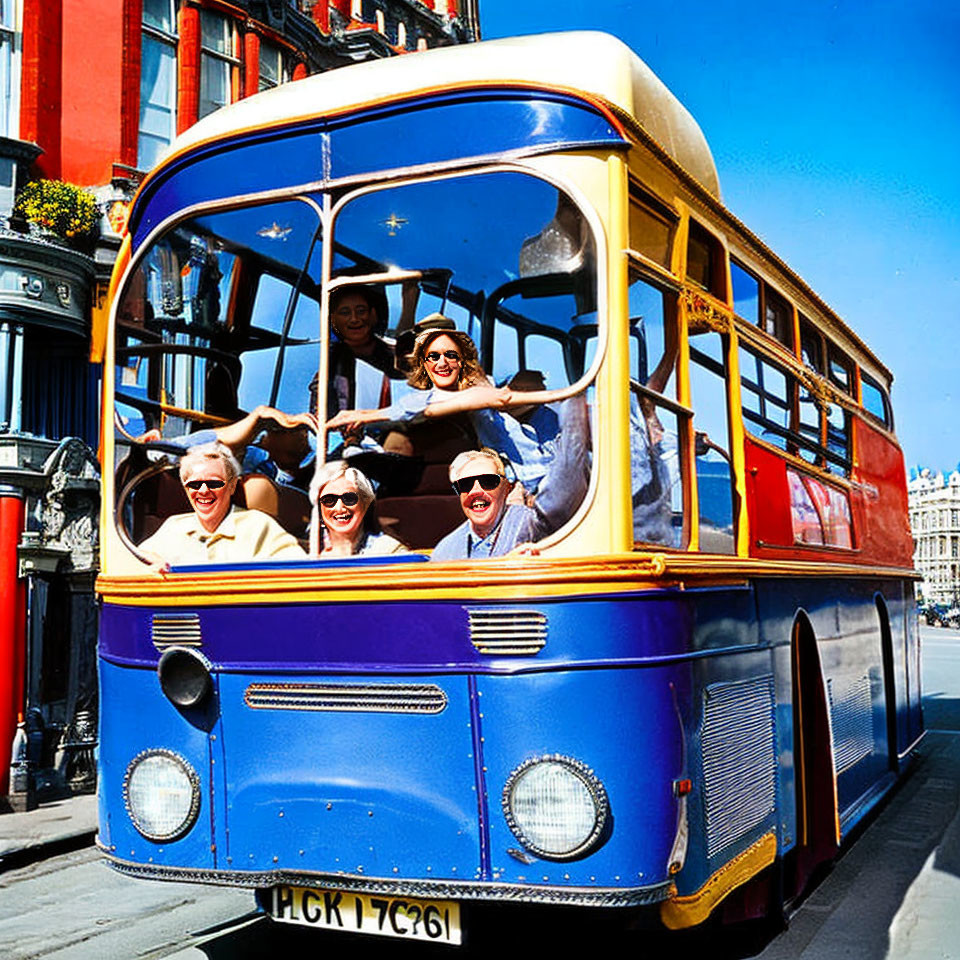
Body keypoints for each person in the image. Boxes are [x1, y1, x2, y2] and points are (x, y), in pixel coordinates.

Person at [326, 326, 561, 494]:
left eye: (450, 355)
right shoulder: (439, 395)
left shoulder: (491, 385)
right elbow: (418, 407)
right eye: (431, 358)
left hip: (544, 477)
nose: (442, 363)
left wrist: (566, 393)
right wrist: (360, 416)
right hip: (517, 483)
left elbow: (506, 395)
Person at [430, 394, 589, 561]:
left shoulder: (529, 525)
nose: (476, 490)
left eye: (488, 482)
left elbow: (566, 485)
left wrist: (575, 394)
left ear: (507, 488)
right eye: (466, 485)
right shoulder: (445, 551)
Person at [138, 441, 307, 566]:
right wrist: (151, 566)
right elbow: (137, 561)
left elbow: (296, 571)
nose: (203, 491)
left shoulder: (258, 525)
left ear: (232, 486)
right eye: (194, 485)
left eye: (214, 484)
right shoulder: (174, 526)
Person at [312, 460, 406, 558]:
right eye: (329, 500)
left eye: (349, 498)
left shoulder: (390, 552)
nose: (339, 508)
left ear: (365, 504)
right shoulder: (306, 554)